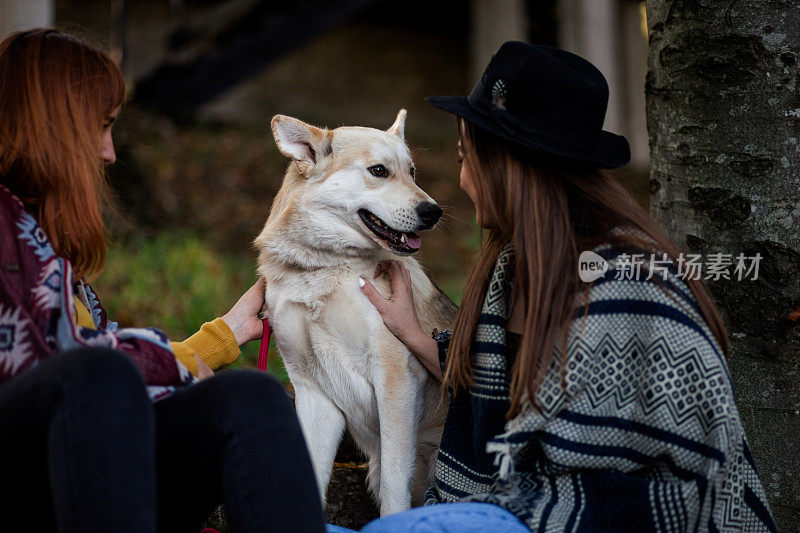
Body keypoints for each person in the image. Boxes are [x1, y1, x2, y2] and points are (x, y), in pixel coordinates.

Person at [348, 41, 777, 532]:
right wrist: (414, 334)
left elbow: (637, 484)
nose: (463, 180)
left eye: (467, 158)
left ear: (510, 164)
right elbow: (510, 385)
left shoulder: (630, 287)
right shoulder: (513, 267)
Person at [0, 29, 324, 532]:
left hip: (87, 471)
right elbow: (65, 362)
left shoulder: (47, 246)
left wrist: (225, 337)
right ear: (51, 127)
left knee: (249, 397)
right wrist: (177, 365)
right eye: (100, 127)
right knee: (95, 376)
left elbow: (94, 364)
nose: (109, 153)